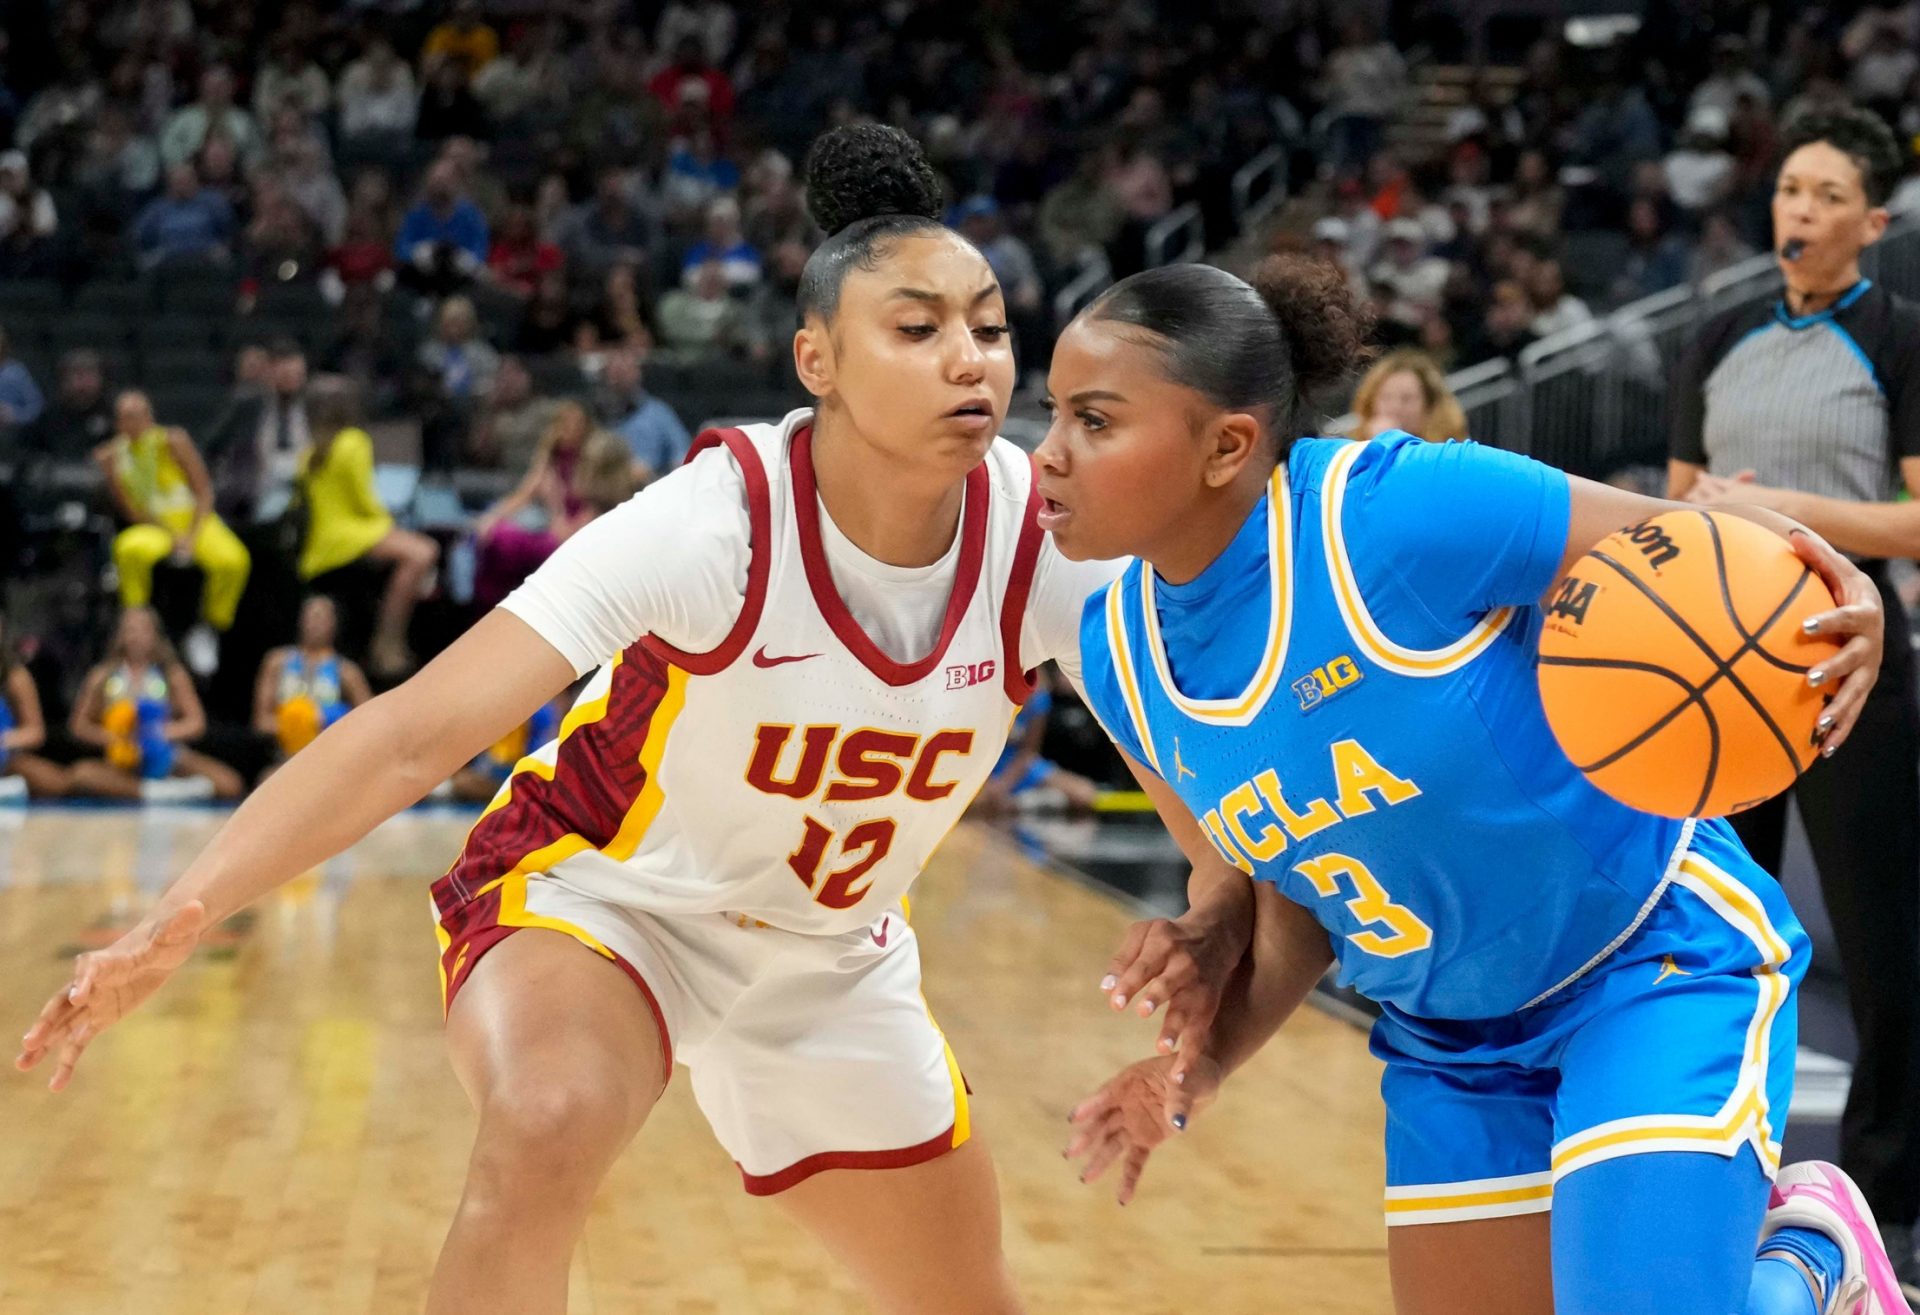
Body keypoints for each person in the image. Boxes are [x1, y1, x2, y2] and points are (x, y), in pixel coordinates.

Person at [15, 125, 1208, 1315]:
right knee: (547, 1118)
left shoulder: (1049, 540)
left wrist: (1202, 999)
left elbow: (1198, 805)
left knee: (970, 1298)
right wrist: (181, 916)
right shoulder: (714, 524)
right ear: (818, 360)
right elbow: (416, 732)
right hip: (603, 899)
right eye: (918, 328)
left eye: (991, 328)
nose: (974, 361)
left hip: (830, 953)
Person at [1034, 255, 1909, 1315]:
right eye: (1053, 416)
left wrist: (1839, 581)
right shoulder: (1121, 655)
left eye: (1093, 421)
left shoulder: (1397, 514)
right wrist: (1202, 1062)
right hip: (1451, 1043)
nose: (1048, 456)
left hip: (1646, 957)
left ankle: (1811, 1261)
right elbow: (1296, 899)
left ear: (1226, 444)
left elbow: (1687, 548)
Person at [1672, 108, 1920, 1292]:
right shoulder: (1716, 335)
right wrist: (1708, 516)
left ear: (1873, 223)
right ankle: (1733, 1173)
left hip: (1851, 652)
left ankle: (1889, 1199)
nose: (1800, 212)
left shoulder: (1903, 338)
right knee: (1717, 930)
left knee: (1881, 944)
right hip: (1716, 658)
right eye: (1788, 192)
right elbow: (1673, 513)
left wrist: (1784, 517)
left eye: (1827, 195)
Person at [295, 376, 441, 678]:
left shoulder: (309, 453)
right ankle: (387, 642)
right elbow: (365, 503)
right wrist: (393, 524)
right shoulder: (354, 441)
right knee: (422, 552)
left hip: (319, 547)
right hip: (351, 536)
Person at [96, 391, 252, 653]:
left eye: (135, 416)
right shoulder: (112, 456)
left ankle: (211, 626)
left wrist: (189, 537)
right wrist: (169, 533)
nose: (130, 423)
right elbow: (131, 511)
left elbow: (203, 491)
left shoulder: (173, 440)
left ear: (149, 417)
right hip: (154, 524)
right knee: (128, 549)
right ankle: (135, 620)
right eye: (124, 418)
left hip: (194, 519)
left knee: (233, 560)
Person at [65, 607, 244, 803]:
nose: (136, 637)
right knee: (81, 775)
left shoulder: (172, 674)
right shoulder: (102, 675)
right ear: (120, 635)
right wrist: (113, 737)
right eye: (130, 630)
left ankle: (167, 786)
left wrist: (161, 733)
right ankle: (157, 792)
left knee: (230, 784)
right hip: (121, 760)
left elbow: (196, 722)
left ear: (155, 635)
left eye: (143, 629)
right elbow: (78, 726)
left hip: (168, 756)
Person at [253, 595, 372, 777]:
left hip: (331, 758)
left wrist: (330, 718)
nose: (315, 623)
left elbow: (369, 721)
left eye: (321, 617)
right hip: (286, 758)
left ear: (334, 623)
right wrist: (300, 722)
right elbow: (261, 721)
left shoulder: (346, 671)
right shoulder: (276, 662)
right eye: (310, 616)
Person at [0, 611, 69, 799]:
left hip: (7, 763)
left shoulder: (15, 677)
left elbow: (35, 732)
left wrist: (4, 740)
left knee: (59, 784)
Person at [1349, 349, 1469, 443]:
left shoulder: (1449, 449)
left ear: (1429, 403)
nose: (1395, 407)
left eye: (1407, 399)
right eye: (1386, 398)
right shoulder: (1353, 451)